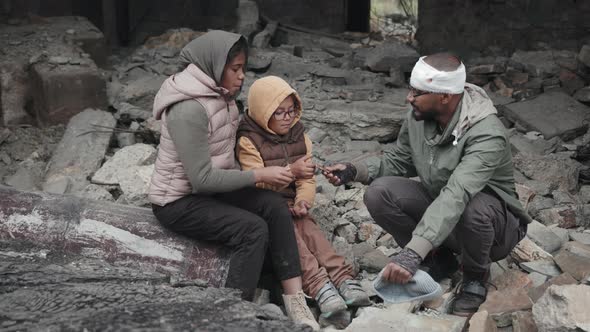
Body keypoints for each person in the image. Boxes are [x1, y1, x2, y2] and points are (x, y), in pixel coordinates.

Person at [323, 53, 530, 316]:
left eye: (418, 92)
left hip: (493, 230)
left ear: (445, 96)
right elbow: (400, 160)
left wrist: (412, 253)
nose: (409, 98)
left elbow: (458, 193)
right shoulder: (418, 116)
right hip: (445, 216)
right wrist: (355, 170)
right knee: (379, 193)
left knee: (473, 208)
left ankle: (475, 277)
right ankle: (439, 257)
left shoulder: (486, 133)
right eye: (411, 90)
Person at [148, 31, 319, 330]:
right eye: (235, 69)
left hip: (214, 189)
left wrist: (285, 172)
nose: (242, 77)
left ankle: (295, 300)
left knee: (274, 205)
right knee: (252, 229)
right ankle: (233, 313)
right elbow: (200, 179)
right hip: (179, 201)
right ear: (214, 65)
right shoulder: (188, 108)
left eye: (243, 68)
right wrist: (259, 175)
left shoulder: (221, 96)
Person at [236, 76, 371, 316]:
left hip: (290, 203)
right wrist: (291, 172)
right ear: (262, 112)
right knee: (294, 242)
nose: (287, 118)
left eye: (291, 111)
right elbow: (254, 179)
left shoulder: (299, 136)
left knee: (312, 231)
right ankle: (319, 286)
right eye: (279, 113)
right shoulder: (248, 139)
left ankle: (342, 278)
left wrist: (302, 201)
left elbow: (306, 179)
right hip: (264, 205)